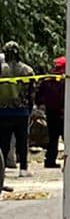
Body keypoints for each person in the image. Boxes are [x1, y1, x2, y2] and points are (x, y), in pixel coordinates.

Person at [0, 40, 35, 179]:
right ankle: (23, 169)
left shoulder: (1, 69)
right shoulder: (27, 70)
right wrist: (30, 108)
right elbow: (32, 92)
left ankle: (2, 171)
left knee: (3, 142)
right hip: (21, 112)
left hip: (2, 112)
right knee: (22, 141)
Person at [35, 57, 67, 169]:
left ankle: (50, 160)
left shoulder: (47, 79)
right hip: (64, 113)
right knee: (67, 138)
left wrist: (40, 104)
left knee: (53, 138)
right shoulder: (66, 80)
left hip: (51, 113)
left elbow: (39, 95)